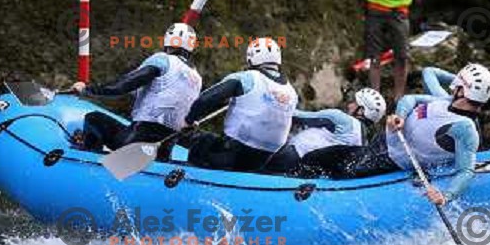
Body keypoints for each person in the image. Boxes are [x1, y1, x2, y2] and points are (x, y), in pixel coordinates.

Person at [304, 64, 490, 205]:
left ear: (465, 90)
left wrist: (445, 196)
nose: (454, 86)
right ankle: (291, 179)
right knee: (319, 156)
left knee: (342, 169)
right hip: (382, 142)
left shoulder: (465, 129)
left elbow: (466, 170)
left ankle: (308, 197)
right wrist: (400, 116)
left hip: (390, 160)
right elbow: (412, 95)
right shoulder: (445, 100)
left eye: (459, 84)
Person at [71, 23, 202, 156]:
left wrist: (87, 89)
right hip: (163, 150)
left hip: (134, 142)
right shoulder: (196, 78)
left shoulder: (162, 60)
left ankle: (88, 157)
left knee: (94, 118)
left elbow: (120, 87)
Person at [185, 37, 298, 172]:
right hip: (262, 159)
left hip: (234, 153)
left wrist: (189, 120)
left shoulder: (246, 78)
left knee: (203, 141)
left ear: (251, 58)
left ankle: (188, 180)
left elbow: (205, 100)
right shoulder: (291, 91)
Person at [266, 88, 386, 175]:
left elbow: (298, 117)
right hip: (314, 172)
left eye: (354, 102)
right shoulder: (364, 141)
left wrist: (278, 103)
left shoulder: (340, 118)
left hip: (294, 156)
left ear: (361, 111)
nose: (350, 104)